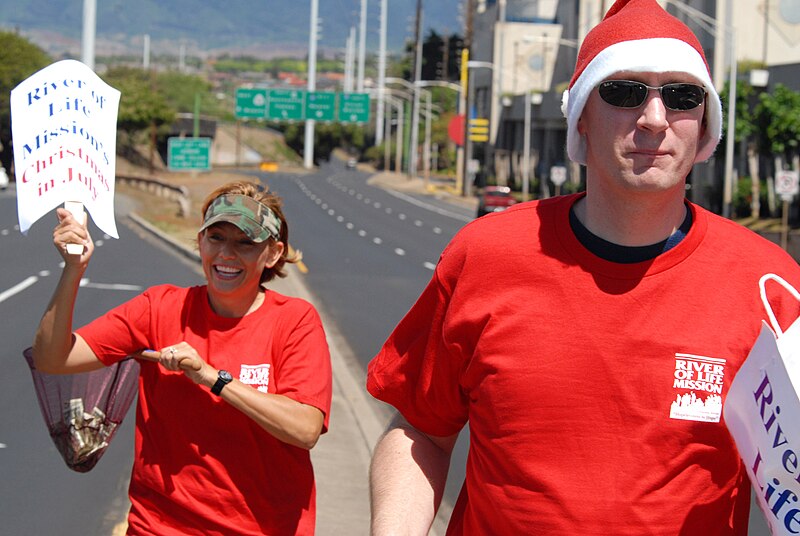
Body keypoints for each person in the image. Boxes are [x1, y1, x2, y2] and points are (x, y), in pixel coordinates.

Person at [366, 0, 800, 534]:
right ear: (581, 117)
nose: (654, 118)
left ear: (704, 121)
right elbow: (420, 431)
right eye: (624, 91)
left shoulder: (770, 285)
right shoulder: (485, 255)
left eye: (682, 96)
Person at [33, 180, 332, 535]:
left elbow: (305, 429)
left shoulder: (294, 320)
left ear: (272, 253)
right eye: (216, 238)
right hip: (159, 526)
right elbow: (53, 359)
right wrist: (73, 270)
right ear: (200, 241)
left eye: (245, 243)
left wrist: (212, 377)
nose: (226, 254)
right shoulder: (159, 307)